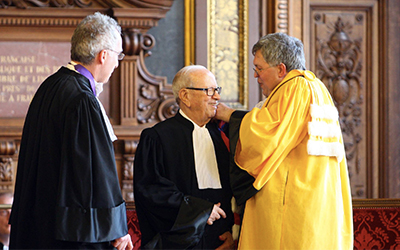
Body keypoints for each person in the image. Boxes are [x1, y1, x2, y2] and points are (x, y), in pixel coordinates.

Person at [215, 32, 353, 250]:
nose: (255, 75)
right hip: (317, 197)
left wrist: (230, 115)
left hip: (291, 204)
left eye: (259, 68)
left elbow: (266, 134)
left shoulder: (295, 88)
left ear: (280, 69)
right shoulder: (317, 87)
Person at [9, 12, 133, 249]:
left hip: (41, 226)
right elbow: (97, 172)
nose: (118, 63)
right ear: (103, 55)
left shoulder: (51, 85)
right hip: (73, 234)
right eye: (118, 56)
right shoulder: (82, 99)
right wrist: (116, 228)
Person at [134, 65, 234, 249]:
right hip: (178, 241)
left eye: (216, 90)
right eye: (209, 91)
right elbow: (152, 192)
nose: (217, 97)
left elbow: (230, 190)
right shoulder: (157, 138)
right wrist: (202, 212)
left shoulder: (221, 136)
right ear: (185, 96)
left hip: (219, 241)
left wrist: (230, 233)